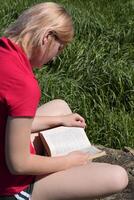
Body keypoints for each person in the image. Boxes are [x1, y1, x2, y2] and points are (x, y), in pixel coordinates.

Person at [0, 2, 128, 200]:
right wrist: (68, 162)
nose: (54, 58)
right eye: (59, 49)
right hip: (10, 186)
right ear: (47, 37)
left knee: (60, 107)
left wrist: (59, 120)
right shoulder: (23, 84)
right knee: (118, 177)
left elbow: (8, 117)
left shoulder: (4, 52)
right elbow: (18, 164)